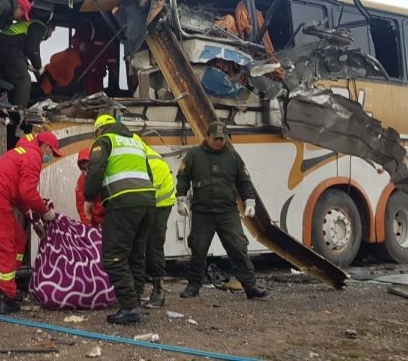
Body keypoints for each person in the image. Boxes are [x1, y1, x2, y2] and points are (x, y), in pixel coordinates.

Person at [175, 121, 271, 300]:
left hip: (227, 211)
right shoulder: (194, 155)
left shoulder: (233, 157)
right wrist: (181, 199)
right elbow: (182, 177)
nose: (218, 142)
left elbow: (244, 181)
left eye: (222, 138)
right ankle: (193, 286)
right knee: (198, 249)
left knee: (238, 247)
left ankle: (250, 287)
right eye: (215, 138)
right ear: (207, 136)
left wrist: (249, 201)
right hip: (202, 212)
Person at [0, 131, 62, 313]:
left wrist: (31, 218)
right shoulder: (33, 157)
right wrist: (45, 212)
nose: (50, 157)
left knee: (19, 239)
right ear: (46, 147)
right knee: (7, 247)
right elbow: (28, 193)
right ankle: (7, 297)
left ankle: (5, 284)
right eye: (52, 152)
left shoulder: (24, 153)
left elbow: (21, 196)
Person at [83, 114, 156, 324]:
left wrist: (89, 198)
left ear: (99, 130)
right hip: (148, 203)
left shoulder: (104, 140)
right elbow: (148, 173)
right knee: (136, 254)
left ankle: (129, 306)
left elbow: (96, 170)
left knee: (113, 257)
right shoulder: (136, 141)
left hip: (122, 203)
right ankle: (135, 300)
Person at [0, 11, 52, 108]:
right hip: (9, 50)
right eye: (52, 31)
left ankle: (7, 106)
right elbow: (32, 49)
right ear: (49, 27)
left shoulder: (28, 23)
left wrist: (28, 65)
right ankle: (19, 111)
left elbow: (20, 47)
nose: (51, 35)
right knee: (23, 80)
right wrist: (38, 66)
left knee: (10, 80)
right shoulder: (40, 26)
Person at [142, 144, 176, 308]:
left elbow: (148, 191)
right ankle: (136, 289)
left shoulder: (150, 162)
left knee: (153, 244)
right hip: (146, 201)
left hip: (159, 203)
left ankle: (158, 291)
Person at [74, 148, 105, 227]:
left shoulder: (104, 173)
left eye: (88, 166)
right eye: (83, 168)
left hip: (111, 216)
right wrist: (87, 224)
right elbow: (80, 204)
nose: (86, 170)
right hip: (96, 220)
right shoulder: (81, 181)